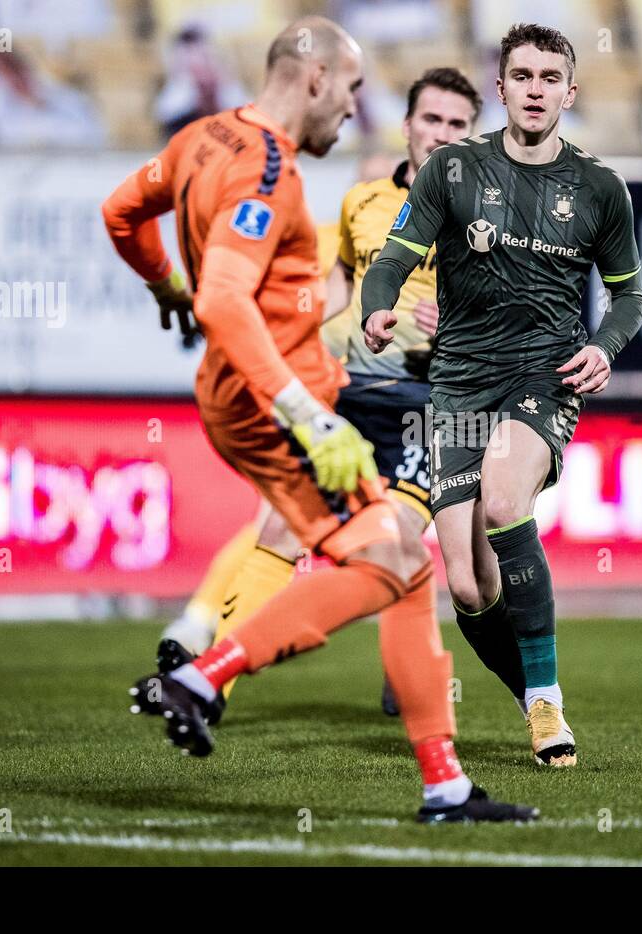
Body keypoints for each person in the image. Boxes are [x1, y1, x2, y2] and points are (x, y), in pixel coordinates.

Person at [101, 16, 535, 823]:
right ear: (313, 79)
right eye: (352, 88)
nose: (354, 107)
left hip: (249, 393)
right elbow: (227, 298)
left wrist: (164, 285)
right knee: (387, 563)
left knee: (403, 562)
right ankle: (201, 674)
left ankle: (444, 785)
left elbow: (121, 210)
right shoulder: (271, 171)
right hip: (285, 403)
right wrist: (310, 413)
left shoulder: (201, 139)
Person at [158, 68, 500, 724]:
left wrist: (462, 327)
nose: (443, 134)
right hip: (353, 396)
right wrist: (277, 331)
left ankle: (435, 676)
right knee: (282, 526)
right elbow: (338, 286)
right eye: (432, 120)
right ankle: (208, 692)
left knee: (402, 550)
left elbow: (520, 318)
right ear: (407, 127)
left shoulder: (492, 216)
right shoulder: (363, 202)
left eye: (459, 125)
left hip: (432, 408)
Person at [360, 22, 642, 767]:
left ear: (569, 92)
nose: (536, 89)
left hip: (542, 377)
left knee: (501, 499)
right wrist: (377, 306)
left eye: (551, 78)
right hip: (458, 381)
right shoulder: (452, 170)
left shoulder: (598, 188)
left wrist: (603, 346)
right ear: (502, 87)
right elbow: (394, 257)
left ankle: (548, 706)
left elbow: (629, 298)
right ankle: (532, 693)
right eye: (523, 76)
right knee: (466, 582)